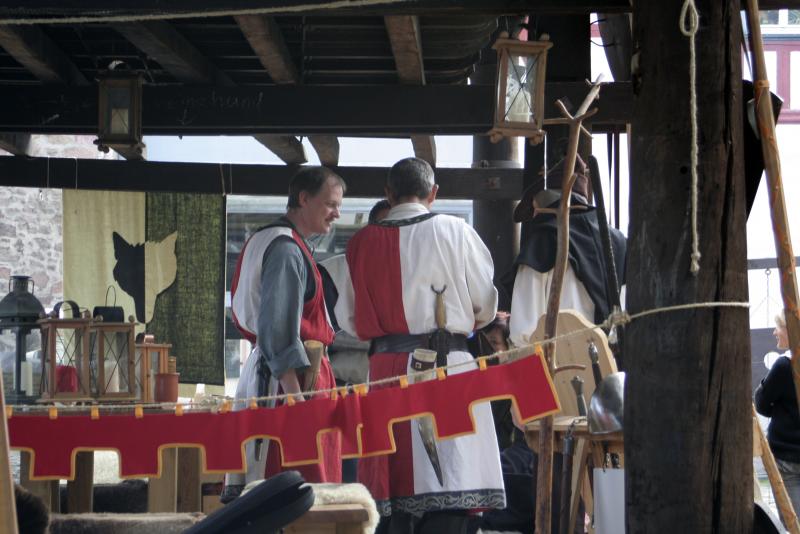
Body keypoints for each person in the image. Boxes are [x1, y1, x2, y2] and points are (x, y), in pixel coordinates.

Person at [335, 157, 504, 533]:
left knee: (392, 490)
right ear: (434, 192)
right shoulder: (456, 231)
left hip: (386, 370)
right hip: (448, 365)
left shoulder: (360, 243)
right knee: (453, 480)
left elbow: (349, 319)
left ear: (388, 194)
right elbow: (485, 303)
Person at [221, 166, 346, 502]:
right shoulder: (287, 248)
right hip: (289, 381)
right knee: (294, 493)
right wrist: (295, 399)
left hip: (270, 371)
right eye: (330, 204)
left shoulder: (266, 238)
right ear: (304, 199)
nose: (337, 213)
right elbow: (278, 329)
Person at [507, 156, 626, 347]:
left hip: (557, 360)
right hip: (611, 359)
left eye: (535, 208)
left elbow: (524, 331)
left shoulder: (542, 242)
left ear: (545, 206)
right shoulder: (619, 242)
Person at [755, 310, 800, 524]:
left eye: (779, 327)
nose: (775, 332)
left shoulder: (783, 366)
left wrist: (780, 409)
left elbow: (762, 402)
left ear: (791, 331)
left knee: (793, 522)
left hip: (786, 456)